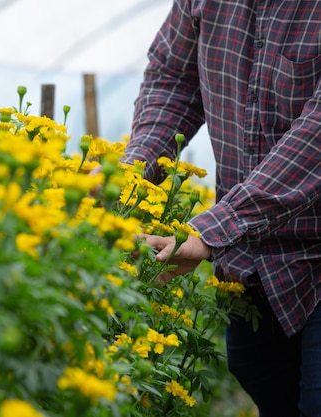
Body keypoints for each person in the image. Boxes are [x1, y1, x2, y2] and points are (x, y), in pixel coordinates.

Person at [121, 1, 321, 416]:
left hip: (309, 254)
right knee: (262, 378)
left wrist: (211, 232)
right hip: (251, 264)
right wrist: (132, 175)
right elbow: (175, 77)